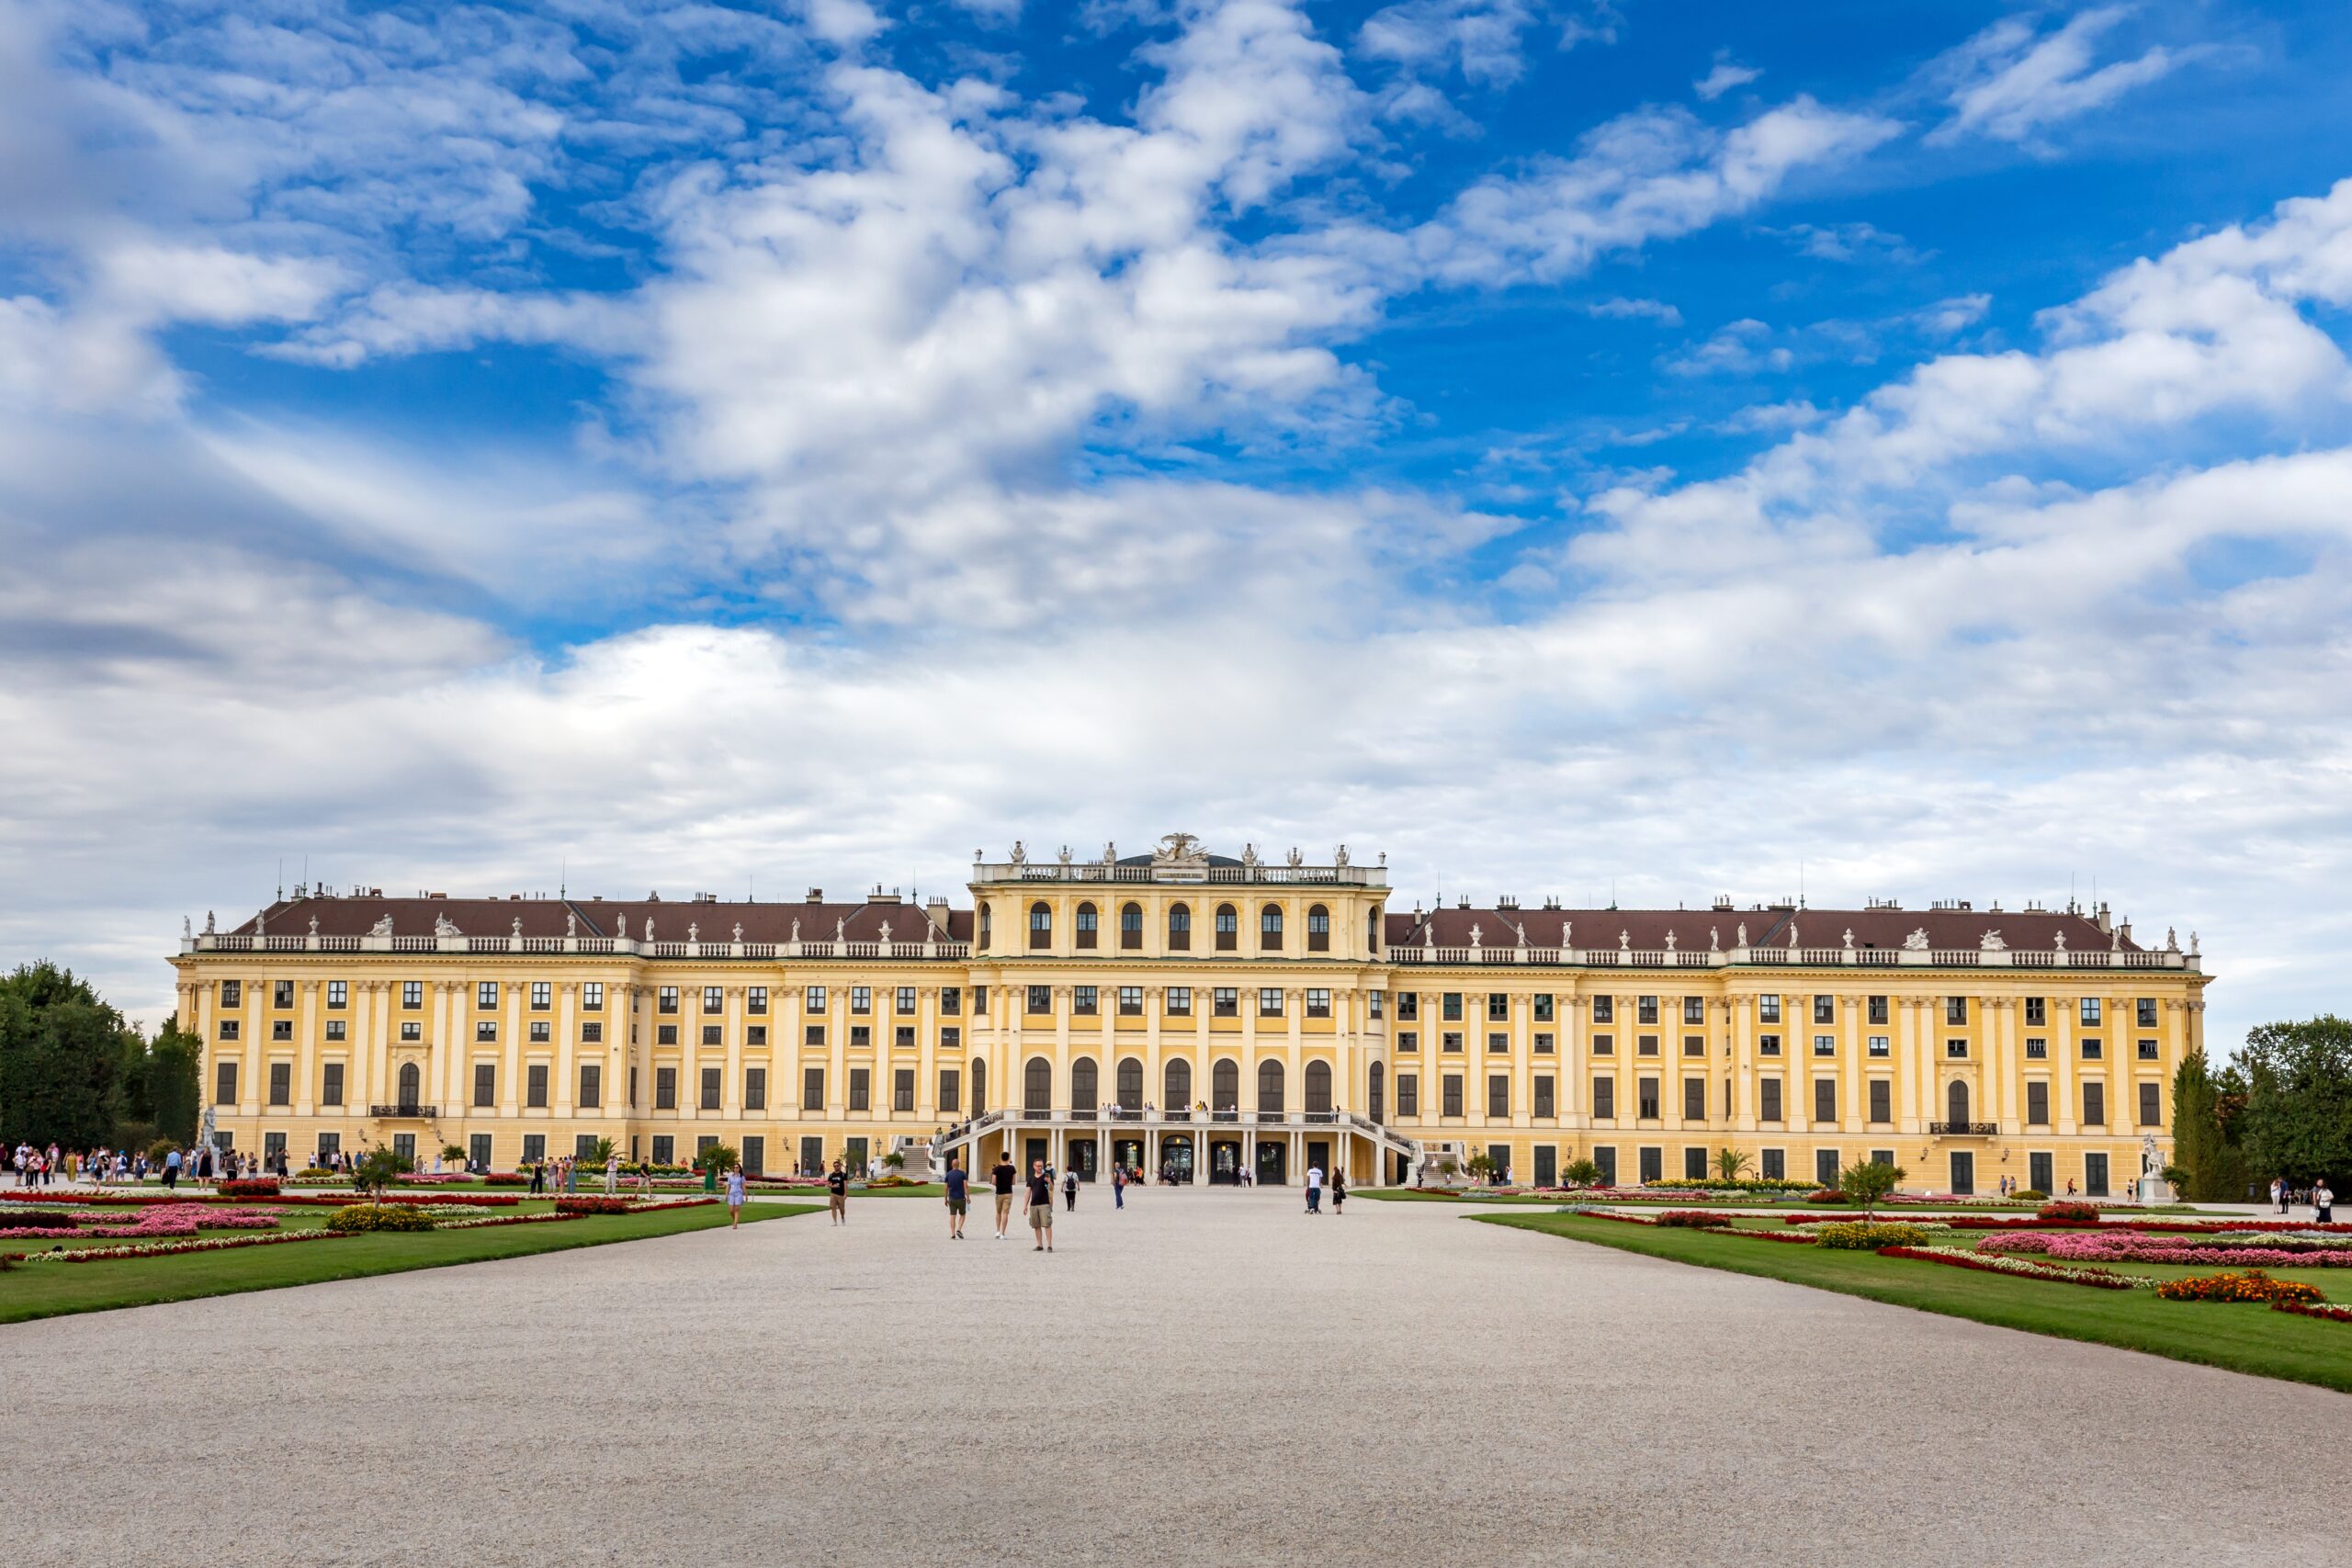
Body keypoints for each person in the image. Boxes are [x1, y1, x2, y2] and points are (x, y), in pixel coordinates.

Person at [1024, 1158, 1055, 1252]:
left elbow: (1051, 1188)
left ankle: (1049, 1245)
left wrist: (1049, 1181)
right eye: (1038, 1166)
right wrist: (1025, 1205)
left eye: (1041, 1166)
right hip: (1034, 1204)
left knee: (1047, 1224)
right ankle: (1039, 1245)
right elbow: (1028, 1192)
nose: (1040, 1167)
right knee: (1036, 1226)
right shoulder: (1030, 1178)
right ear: (1034, 1166)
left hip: (1045, 1204)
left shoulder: (1046, 1176)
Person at [990, 1151, 1018, 1239]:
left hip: (999, 1193)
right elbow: (1014, 1182)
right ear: (1008, 1158)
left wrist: (999, 1184)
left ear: (1001, 1158)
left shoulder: (996, 1169)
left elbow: (993, 1182)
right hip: (1008, 1193)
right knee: (1005, 1213)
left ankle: (997, 1231)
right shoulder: (1012, 1168)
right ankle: (1003, 1233)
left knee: (998, 1212)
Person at [944, 1157, 969, 1239]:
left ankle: (952, 1234)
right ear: (959, 1165)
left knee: (952, 1216)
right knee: (963, 1214)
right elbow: (965, 1187)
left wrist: (945, 1199)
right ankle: (959, 1229)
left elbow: (945, 1188)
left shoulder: (948, 1174)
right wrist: (968, 1197)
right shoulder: (962, 1174)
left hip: (951, 1198)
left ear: (952, 1165)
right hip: (961, 1198)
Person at [726, 1164, 747, 1229]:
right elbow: (728, 1186)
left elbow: (743, 1186)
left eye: (737, 1167)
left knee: (736, 1210)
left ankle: (735, 1224)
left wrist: (746, 1194)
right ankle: (735, 1219)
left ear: (739, 1168)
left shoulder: (742, 1177)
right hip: (731, 1194)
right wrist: (726, 1194)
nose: (736, 1169)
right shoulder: (730, 1176)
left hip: (739, 1194)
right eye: (734, 1167)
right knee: (731, 1210)